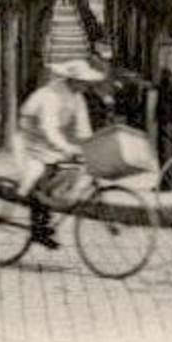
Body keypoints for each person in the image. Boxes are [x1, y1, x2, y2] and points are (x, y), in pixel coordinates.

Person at [13, 57, 104, 249]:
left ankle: (44, 217)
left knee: (67, 170)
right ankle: (38, 228)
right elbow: (48, 128)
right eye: (82, 81)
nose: (85, 85)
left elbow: (83, 129)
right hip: (32, 136)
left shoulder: (78, 98)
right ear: (71, 80)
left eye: (86, 82)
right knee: (40, 174)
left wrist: (91, 147)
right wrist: (67, 148)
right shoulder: (51, 96)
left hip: (50, 139)